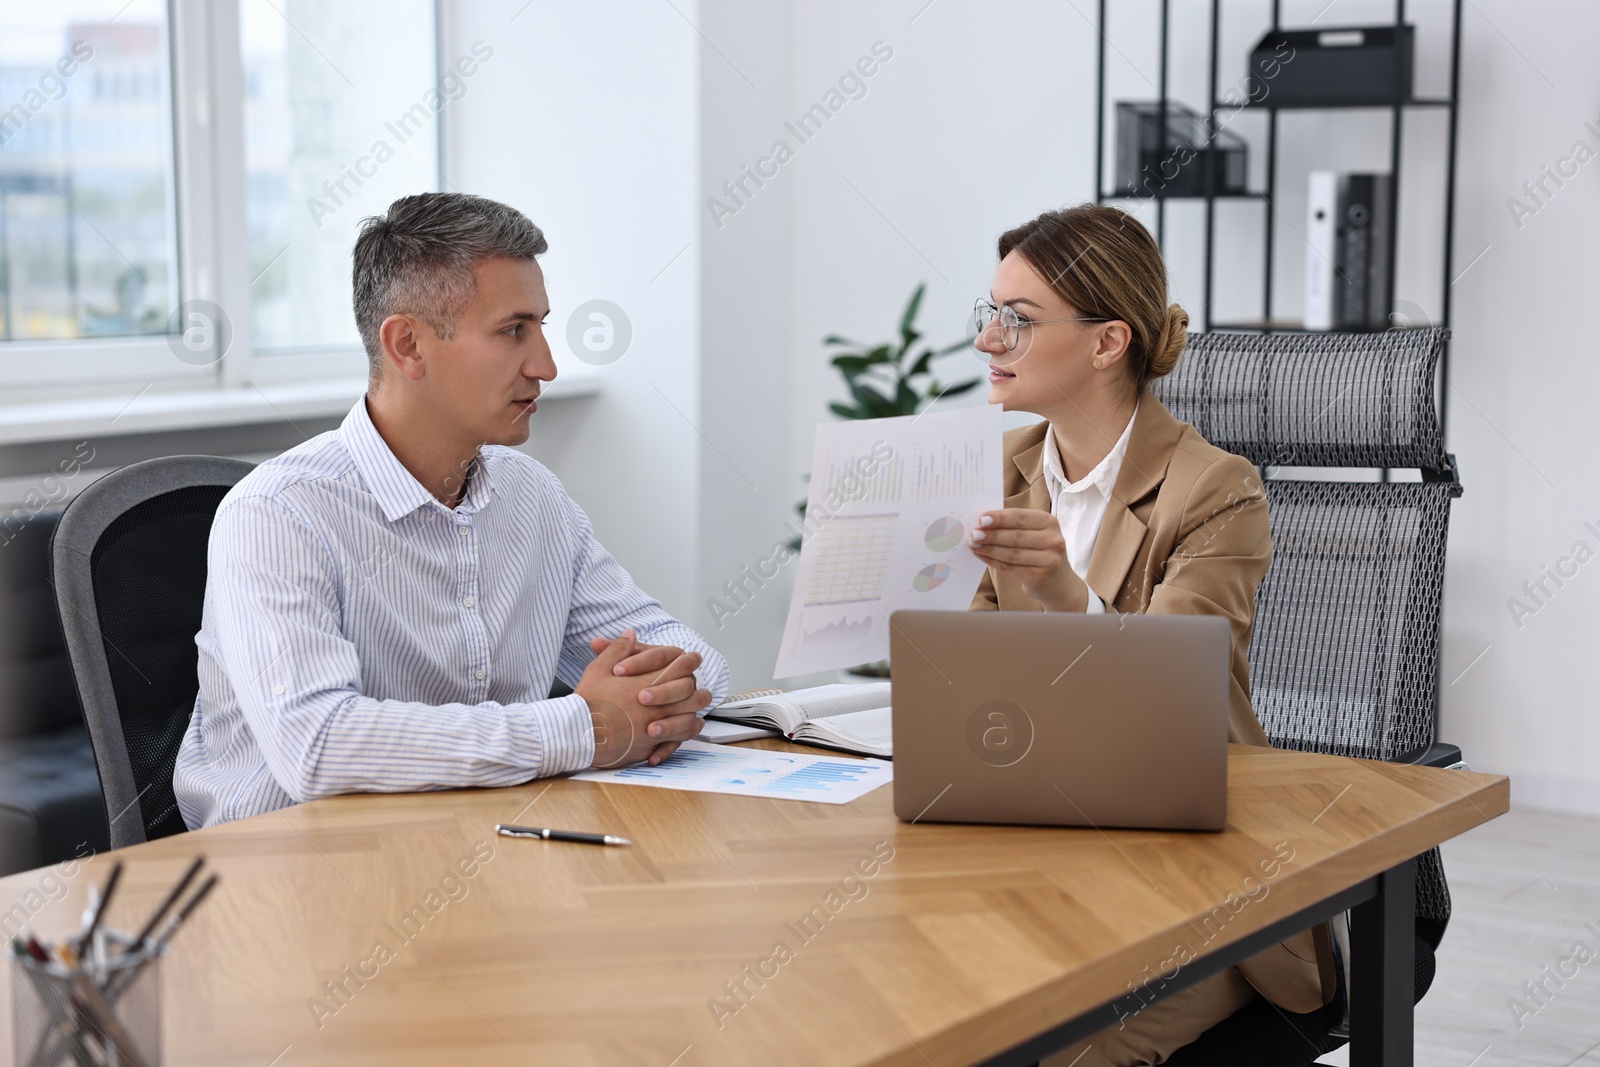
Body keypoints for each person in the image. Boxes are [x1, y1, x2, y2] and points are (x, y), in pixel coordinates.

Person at [174, 192, 728, 830]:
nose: (545, 365)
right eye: (512, 330)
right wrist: (585, 726)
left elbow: (686, 652)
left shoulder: (532, 496)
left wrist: (653, 698)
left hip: (489, 839)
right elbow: (319, 747)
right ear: (408, 345)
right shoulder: (278, 514)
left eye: (542, 327)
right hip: (297, 872)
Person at [966, 204, 1333, 1066]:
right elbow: (969, 674)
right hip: (1039, 846)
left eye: (1016, 320)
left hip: (1198, 876)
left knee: (1059, 1048)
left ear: (1107, 342)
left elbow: (1179, 692)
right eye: (986, 313)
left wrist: (1065, 595)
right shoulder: (1005, 472)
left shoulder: (1217, 490)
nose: (987, 339)